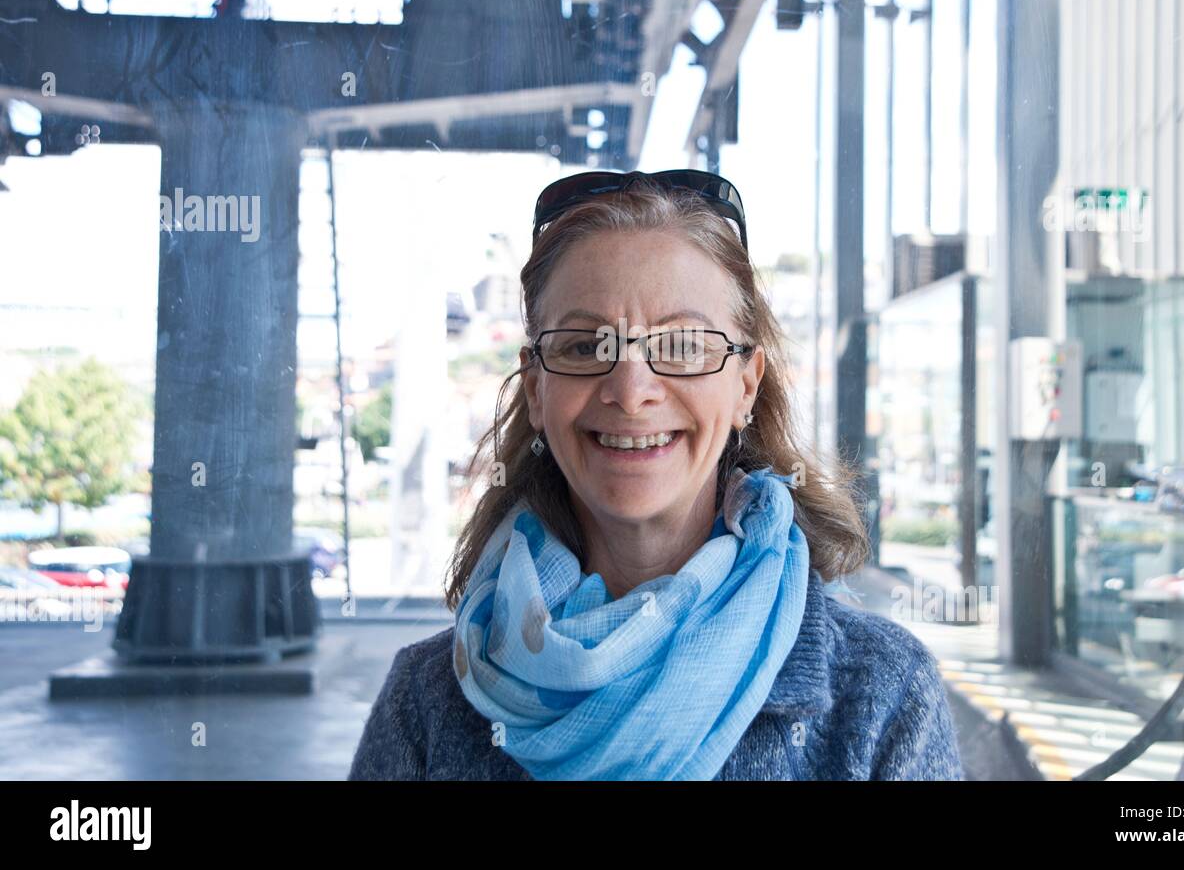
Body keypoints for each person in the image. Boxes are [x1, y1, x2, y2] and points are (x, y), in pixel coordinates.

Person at [348, 170, 964, 780]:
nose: (631, 389)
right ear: (537, 389)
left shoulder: (882, 696)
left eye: (684, 344)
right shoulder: (426, 703)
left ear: (746, 385)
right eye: (585, 346)